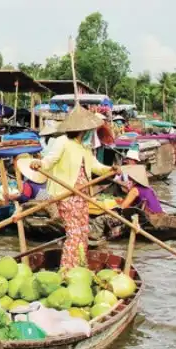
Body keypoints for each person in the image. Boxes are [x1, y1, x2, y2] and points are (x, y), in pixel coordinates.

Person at [29, 106, 118, 269]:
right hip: (66, 194)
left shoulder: (85, 147)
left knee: (83, 232)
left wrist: (110, 169)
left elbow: (95, 166)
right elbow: (49, 161)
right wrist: (38, 163)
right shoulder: (62, 141)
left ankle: (80, 266)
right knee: (74, 234)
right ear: (82, 129)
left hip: (82, 195)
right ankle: (67, 270)